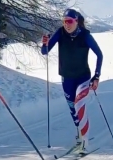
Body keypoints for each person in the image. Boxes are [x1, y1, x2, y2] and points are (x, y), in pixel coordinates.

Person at [41, 9, 103, 151]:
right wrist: (44, 44)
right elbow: (45, 52)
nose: (66, 25)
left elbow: (99, 55)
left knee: (79, 103)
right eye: (64, 21)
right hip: (66, 77)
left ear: (76, 21)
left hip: (83, 77)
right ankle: (80, 133)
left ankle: (85, 140)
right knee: (72, 110)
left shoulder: (85, 36)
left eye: (69, 21)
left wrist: (97, 76)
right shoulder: (60, 33)